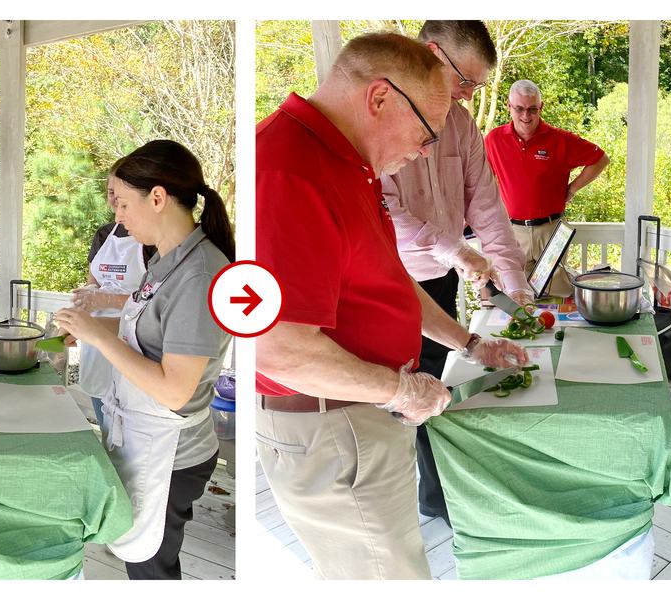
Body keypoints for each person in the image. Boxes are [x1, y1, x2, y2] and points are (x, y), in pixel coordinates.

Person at [254, 32, 529, 579]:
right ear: (380, 98)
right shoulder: (286, 168)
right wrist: (402, 389)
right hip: (333, 426)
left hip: (360, 417)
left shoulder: (350, 164)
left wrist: (470, 343)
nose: (427, 151)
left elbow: (389, 282)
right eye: (427, 133)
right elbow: (278, 350)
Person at [52, 140, 234, 580]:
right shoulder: (165, 261)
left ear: (157, 197)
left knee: (152, 567)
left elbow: (175, 388)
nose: (118, 216)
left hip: (172, 454)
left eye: (124, 203)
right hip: (145, 437)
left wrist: (97, 333)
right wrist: (84, 328)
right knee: (143, 557)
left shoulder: (200, 274)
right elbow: (144, 334)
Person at [382, 20, 531, 528]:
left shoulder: (463, 125)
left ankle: (440, 489)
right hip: (391, 281)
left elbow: (488, 208)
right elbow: (386, 216)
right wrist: (456, 250)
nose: (467, 95)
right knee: (405, 393)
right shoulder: (382, 118)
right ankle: (425, 500)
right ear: (431, 54)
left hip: (443, 280)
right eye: (464, 81)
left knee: (441, 382)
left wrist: (515, 288)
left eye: (475, 88)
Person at [485, 79, 610, 298]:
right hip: (512, 231)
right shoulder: (494, 140)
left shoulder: (561, 140)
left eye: (532, 109)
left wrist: (572, 189)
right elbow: (481, 180)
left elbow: (600, 159)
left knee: (557, 293)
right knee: (515, 295)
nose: (526, 116)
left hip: (551, 231)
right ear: (509, 106)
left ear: (541, 107)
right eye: (520, 109)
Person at [73, 168, 156, 427]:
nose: (114, 202)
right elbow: (93, 283)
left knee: (130, 421)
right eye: (110, 194)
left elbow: (155, 301)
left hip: (134, 343)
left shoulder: (151, 241)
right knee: (103, 417)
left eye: (120, 198)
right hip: (96, 343)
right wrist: (84, 300)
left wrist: (106, 301)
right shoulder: (103, 234)